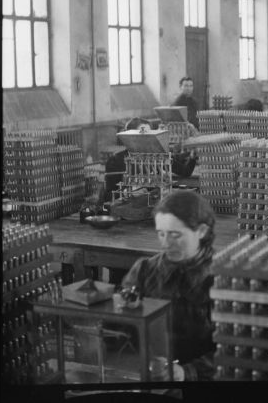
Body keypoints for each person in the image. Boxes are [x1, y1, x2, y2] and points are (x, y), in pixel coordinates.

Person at [121, 190, 216, 381]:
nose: (165, 243)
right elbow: (121, 331)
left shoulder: (220, 280)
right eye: (161, 234)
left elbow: (233, 350)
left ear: (202, 231)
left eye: (175, 235)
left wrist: (187, 372)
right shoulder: (144, 271)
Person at [103, 117, 151, 202]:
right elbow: (108, 196)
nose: (148, 139)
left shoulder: (153, 157)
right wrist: (127, 193)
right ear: (129, 137)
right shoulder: (115, 161)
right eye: (142, 135)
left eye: (149, 135)